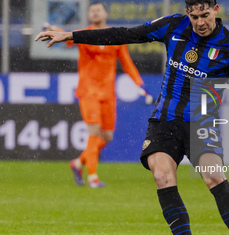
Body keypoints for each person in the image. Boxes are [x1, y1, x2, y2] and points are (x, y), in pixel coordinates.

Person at [36, 0, 229, 235]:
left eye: (205, 15)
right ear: (188, 12)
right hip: (164, 121)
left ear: (216, 10)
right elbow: (124, 34)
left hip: (202, 123)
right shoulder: (173, 26)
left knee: (213, 177)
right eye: (195, 16)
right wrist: (72, 35)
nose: (200, 22)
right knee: (162, 176)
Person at [46, 2, 151, 188]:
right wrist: (54, 30)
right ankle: (92, 177)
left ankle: (78, 163)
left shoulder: (115, 36)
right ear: (88, 15)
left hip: (108, 94)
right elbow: (67, 39)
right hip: (88, 92)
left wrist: (139, 85)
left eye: (98, 9)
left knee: (107, 136)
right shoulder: (83, 34)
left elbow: (126, 62)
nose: (95, 12)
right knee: (94, 132)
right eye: (92, 10)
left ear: (105, 13)